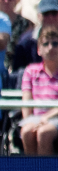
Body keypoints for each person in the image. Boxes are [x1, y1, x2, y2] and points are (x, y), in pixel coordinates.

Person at [18, 21, 58, 152]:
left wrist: (45, 118)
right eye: (45, 44)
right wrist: (29, 121)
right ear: (39, 50)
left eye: (55, 44)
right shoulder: (30, 71)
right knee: (27, 132)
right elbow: (27, 101)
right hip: (36, 118)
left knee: (43, 133)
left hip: (55, 118)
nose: (50, 48)